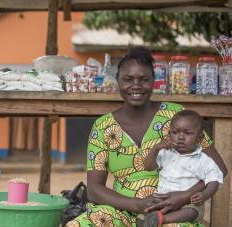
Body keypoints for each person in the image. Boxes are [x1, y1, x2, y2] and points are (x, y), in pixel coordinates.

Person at [65, 46, 227, 227]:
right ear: (118, 80)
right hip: (121, 210)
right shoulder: (102, 127)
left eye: (144, 79)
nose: (136, 85)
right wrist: (138, 205)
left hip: (171, 213)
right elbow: (94, 190)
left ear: (153, 81)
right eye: (128, 79)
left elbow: (219, 169)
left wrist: (183, 196)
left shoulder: (176, 116)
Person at [139, 109, 223, 227]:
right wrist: (155, 149)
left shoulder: (203, 160)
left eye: (188, 133)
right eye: (175, 132)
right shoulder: (165, 153)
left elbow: (214, 179)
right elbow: (148, 167)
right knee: (142, 217)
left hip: (188, 203)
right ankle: (153, 219)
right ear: (169, 135)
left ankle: (163, 219)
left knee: (190, 212)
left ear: (200, 138)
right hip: (163, 199)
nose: (181, 137)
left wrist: (205, 195)